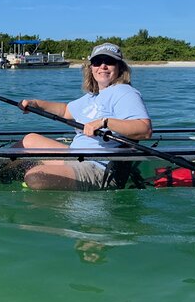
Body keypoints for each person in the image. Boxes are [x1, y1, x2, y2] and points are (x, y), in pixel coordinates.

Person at [10, 42, 152, 191]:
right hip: (76, 156)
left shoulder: (125, 92)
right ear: (91, 68)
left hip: (99, 167)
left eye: (109, 62)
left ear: (120, 67)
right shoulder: (92, 96)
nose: (102, 66)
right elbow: (65, 111)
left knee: (35, 176)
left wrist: (105, 122)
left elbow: (144, 129)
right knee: (29, 140)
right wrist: (36, 104)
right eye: (97, 62)